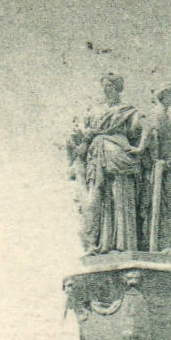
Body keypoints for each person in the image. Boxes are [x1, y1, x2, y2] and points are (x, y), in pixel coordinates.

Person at [67, 73, 145, 254]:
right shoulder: (95, 110)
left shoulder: (128, 111)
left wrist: (141, 145)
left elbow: (138, 130)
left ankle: (123, 244)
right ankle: (102, 243)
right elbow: (84, 135)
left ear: (118, 88)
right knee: (100, 198)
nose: (106, 89)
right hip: (97, 154)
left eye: (110, 86)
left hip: (119, 154)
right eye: (104, 86)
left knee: (120, 195)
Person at [136, 82, 171, 252]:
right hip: (164, 170)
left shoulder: (164, 114)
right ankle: (162, 245)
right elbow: (153, 140)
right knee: (169, 206)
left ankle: (166, 245)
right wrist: (158, 161)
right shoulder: (156, 114)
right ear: (163, 94)